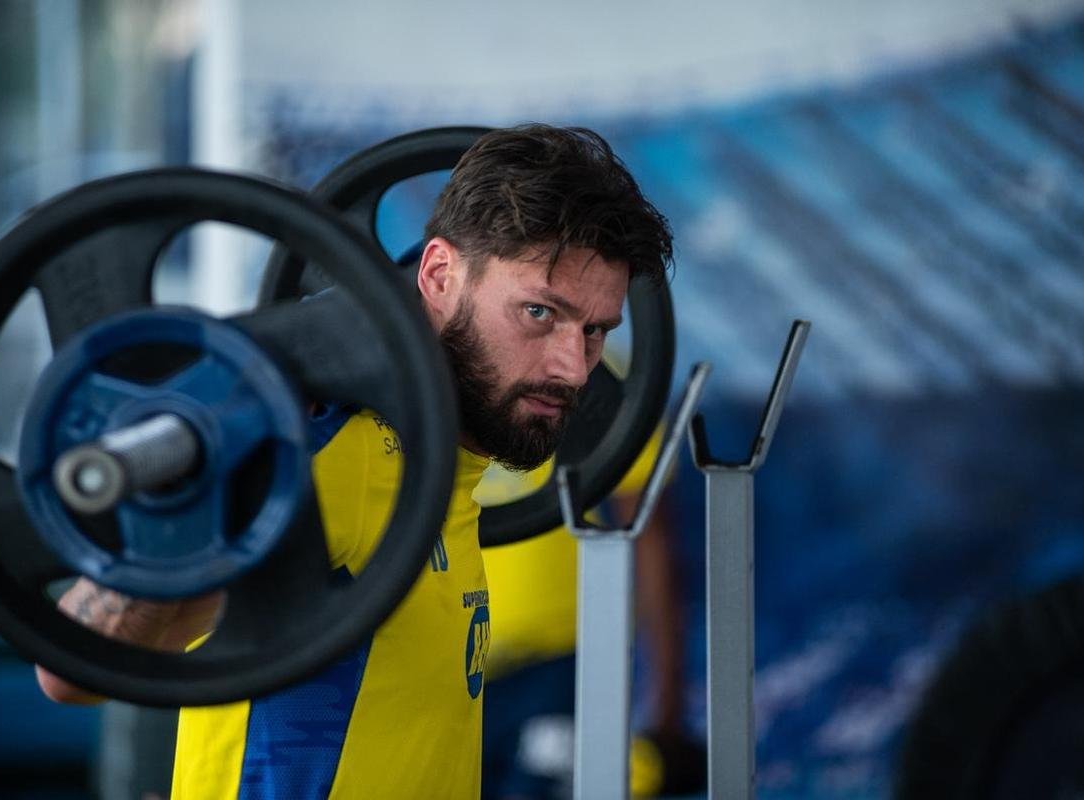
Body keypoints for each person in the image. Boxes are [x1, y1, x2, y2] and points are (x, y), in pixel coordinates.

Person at [34, 123, 674, 799]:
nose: (572, 369)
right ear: (437, 274)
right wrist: (189, 499)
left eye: (595, 331)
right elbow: (74, 671)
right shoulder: (333, 454)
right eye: (539, 313)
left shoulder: (447, 466)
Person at [477, 427, 706, 800]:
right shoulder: (404, 380)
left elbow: (651, 537)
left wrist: (668, 714)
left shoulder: (599, 385)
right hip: (431, 670)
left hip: (560, 664)